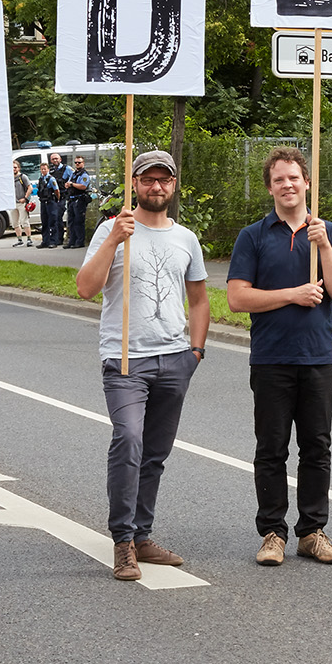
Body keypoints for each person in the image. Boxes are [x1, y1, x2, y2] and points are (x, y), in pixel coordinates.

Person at [76, 150, 210, 582]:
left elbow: (200, 299)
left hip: (175, 358)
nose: (156, 187)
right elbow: (85, 288)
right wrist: (114, 239)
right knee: (128, 440)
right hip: (125, 359)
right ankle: (122, 542)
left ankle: (142, 534)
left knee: (155, 452)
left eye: (164, 180)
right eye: (148, 179)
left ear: (174, 185)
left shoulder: (186, 238)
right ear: (134, 183)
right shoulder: (111, 230)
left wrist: (196, 351)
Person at [226, 145, 332, 567]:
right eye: (279, 179)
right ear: (270, 188)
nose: (287, 185)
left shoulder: (330, 233)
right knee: (271, 448)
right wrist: (292, 295)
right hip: (271, 358)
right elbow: (237, 298)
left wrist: (325, 249)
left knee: (317, 447)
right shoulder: (254, 236)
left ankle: (312, 531)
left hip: (317, 357)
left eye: (294, 177)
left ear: (307, 182)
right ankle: (272, 533)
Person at [63, 156, 93, 249]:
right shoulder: (74, 174)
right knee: (71, 222)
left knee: (78, 222)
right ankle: (71, 241)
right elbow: (68, 183)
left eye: (79, 162)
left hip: (79, 200)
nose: (77, 164)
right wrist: (68, 184)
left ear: (83, 163)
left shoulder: (84, 175)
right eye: (76, 162)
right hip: (72, 199)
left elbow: (83, 186)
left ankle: (79, 242)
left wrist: (72, 184)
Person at [37, 156, 63, 248]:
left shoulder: (51, 179)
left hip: (51, 202)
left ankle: (53, 241)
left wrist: (57, 199)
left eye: (45, 169)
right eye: (42, 169)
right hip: (43, 202)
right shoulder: (41, 179)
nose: (43, 171)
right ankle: (45, 241)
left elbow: (57, 191)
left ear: (48, 169)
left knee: (53, 221)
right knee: (45, 222)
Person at [11, 162, 34, 247]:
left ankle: (29, 239)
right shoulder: (9, 178)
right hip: (13, 204)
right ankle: (19, 240)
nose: (14, 169)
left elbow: (30, 187)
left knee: (24, 221)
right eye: (12, 168)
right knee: (15, 223)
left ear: (19, 168)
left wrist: (25, 198)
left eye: (15, 167)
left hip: (21, 203)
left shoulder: (22, 177)